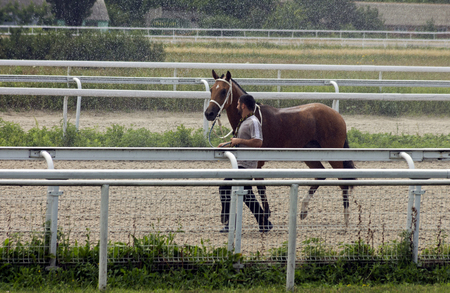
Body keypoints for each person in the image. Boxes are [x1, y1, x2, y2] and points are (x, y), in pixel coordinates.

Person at [218, 94, 273, 233]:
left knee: (225, 187)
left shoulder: (253, 121)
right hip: (242, 164)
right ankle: (264, 223)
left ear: (243, 105)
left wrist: (239, 141)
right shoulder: (246, 121)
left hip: (246, 165)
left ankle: (230, 222)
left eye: (237, 104)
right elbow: (241, 142)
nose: (236, 106)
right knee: (247, 195)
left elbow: (258, 142)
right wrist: (227, 144)